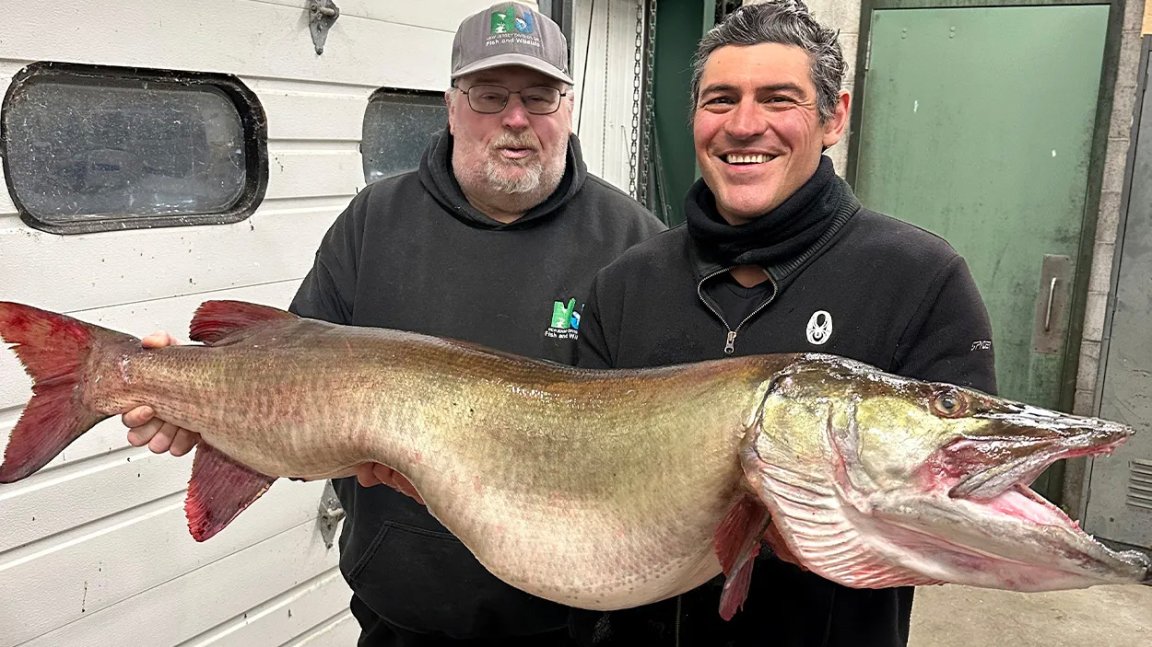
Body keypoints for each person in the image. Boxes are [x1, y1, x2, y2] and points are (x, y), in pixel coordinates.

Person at [122, 3, 665, 645]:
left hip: (567, 627)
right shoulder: (376, 220)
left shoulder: (635, 245)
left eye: (539, 96)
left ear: (567, 107)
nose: (515, 119)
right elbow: (290, 392)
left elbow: (653, 453)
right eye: (490, 95)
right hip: (397, 619)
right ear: (452, 104)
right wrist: (191, 395)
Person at [569, 2, 996, 646]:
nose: (744, 125)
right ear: (695, 119)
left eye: (778, 99)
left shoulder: (920, 279)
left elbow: (961, 504)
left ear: (833, 117)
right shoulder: (627, 283)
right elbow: (582, 478)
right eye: (720, 100)